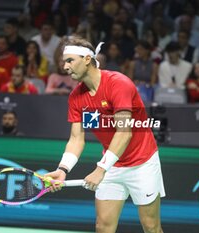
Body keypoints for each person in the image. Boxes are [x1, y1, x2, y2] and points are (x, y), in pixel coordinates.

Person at [44, 37, 165, 233]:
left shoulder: (119, 84)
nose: (65, 67)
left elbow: (124, 133)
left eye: (69, 60)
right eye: (64, 62)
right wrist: (63, 169)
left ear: (86, 59)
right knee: (103, 227)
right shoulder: (76, 97)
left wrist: (100, 169)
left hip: (142, 163)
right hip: (112, 164)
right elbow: (76, 139)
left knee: (151, 227)